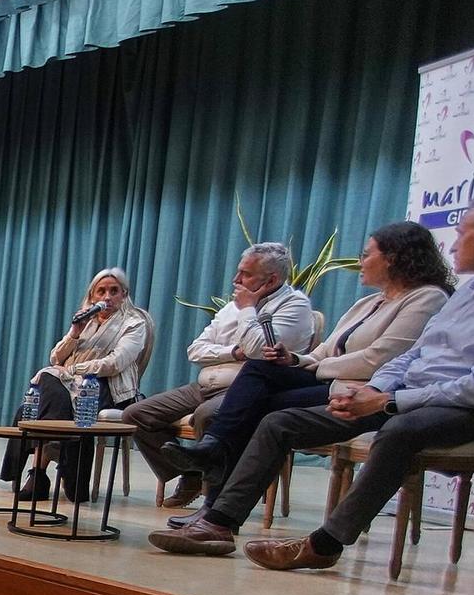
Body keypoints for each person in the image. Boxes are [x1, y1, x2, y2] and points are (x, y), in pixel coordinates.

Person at [149, 192, 474, 569]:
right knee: (280, 421)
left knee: (398, 430)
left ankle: (325, 544)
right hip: (405, 395)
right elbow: (412, 354)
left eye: (463, 228)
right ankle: (218, 525)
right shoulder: (469, 291)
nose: (455, 240)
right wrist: (378, 389)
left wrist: (388, 403)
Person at [157, 221, 452, 523]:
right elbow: (326, 349)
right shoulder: (369, 302)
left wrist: (317, 366)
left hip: (360, 389)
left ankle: (215, 496)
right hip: (330, 377)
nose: (361, 261)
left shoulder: (426, 297)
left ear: (393, 258)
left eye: (366, 254)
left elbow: (380, 360)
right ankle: (212, 466)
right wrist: (295, 359)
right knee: (261, 367)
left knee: (248, 410)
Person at [121, 243, 314, 509]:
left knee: (209, 415)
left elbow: (259, 350)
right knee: (135, 414)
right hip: (205, 383)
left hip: (246, 389)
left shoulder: (295, 306)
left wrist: (248, 309)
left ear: (271, 280)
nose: (236, 280)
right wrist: (233, 352)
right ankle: (191, 474)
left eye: (245, 274)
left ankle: (215, 502)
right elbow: (195, 349)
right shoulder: (231, 307)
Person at [1, 268, 153, 502]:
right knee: (48, 388)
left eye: (114, 291)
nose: (107, 297)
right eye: (101, 291)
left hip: (107, 388)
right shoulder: (86, 321)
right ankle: (67, 474)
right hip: (68, 386)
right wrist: (74, 333)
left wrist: (71, 371)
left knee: (45, 390)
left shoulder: (134, 323)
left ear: (124, 295)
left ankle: (39, 474)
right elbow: (55, 358)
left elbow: (116, 363)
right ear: (92, 296)